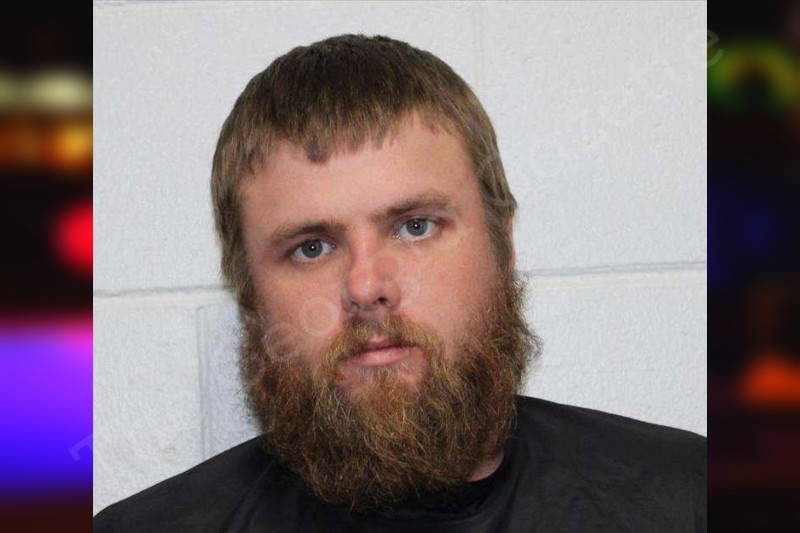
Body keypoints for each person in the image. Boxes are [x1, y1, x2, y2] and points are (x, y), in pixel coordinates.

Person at [93, 34, 706, 532]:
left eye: (416, 227)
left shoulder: (691, 502)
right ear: (247, 288)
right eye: (311, 247)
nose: (366, 286)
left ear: (502, 243)